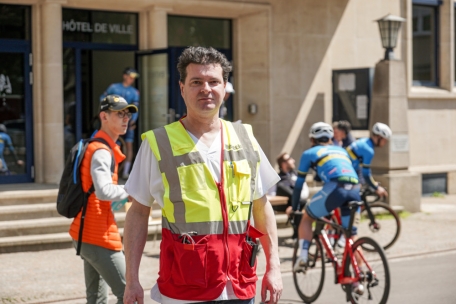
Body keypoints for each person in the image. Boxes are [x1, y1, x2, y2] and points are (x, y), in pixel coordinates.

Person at [123, 46, 283, 304]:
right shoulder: (158, 143)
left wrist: (274, 267)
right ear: (182, 88)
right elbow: (138, 212)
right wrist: (132, 280)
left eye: (213, 81)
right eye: (196, 82)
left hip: (240, 285)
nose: (206, 89)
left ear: (225, 87)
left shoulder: (245, 139)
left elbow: (261, 207)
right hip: (184, 290)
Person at [69, 95, 138, 304]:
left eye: (127, 114)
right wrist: (133, 189)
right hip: (98, 235)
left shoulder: (100, 146)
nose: (125, 118)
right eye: (119, 114)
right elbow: (103, 191)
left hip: (87, 232)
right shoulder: (101, 150)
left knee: (96, 299)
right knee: (130, 295)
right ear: (104, 116)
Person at [291, 122, 360, 273]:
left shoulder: (310, 153)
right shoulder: (342, 150)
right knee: (351, 237)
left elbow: (298, 185)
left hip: (336, 188)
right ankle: (359, 278)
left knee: (307, 218)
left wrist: (295, 207)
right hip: (355, 189)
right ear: (330, 138)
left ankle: (302, 257)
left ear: (312, 140)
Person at [100, 67, 140, 179]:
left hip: (127, 124)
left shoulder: (134, 92)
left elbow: (136, 107)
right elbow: (102, 99)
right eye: (130, 77)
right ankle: (109, 170)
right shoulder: (114, 87)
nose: (132, 79)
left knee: (128, 146)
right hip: (112, 121)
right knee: (109, 143)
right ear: (125, 76)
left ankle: (126, 172)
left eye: (134, 78)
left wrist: (133, 121)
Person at [346, 122, 391, 198]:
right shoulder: (369, 150)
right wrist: (376, 187)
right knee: (355, 201)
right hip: (345, 174)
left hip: (346, 171)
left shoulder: (364, 141)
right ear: (379, 137)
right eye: (385, 140)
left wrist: (371, 183)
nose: (385, 143)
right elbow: (366, 173)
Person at [275, 153, 308, 238]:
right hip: (283, 204)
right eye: (289, 159)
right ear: (283, 164)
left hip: (298, 201)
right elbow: (272, 194)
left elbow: (305, 192)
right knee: (282, 187)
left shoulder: (297, 175)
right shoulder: (277, 178)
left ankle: (297, 233)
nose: (293, 160)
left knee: (297, 204)